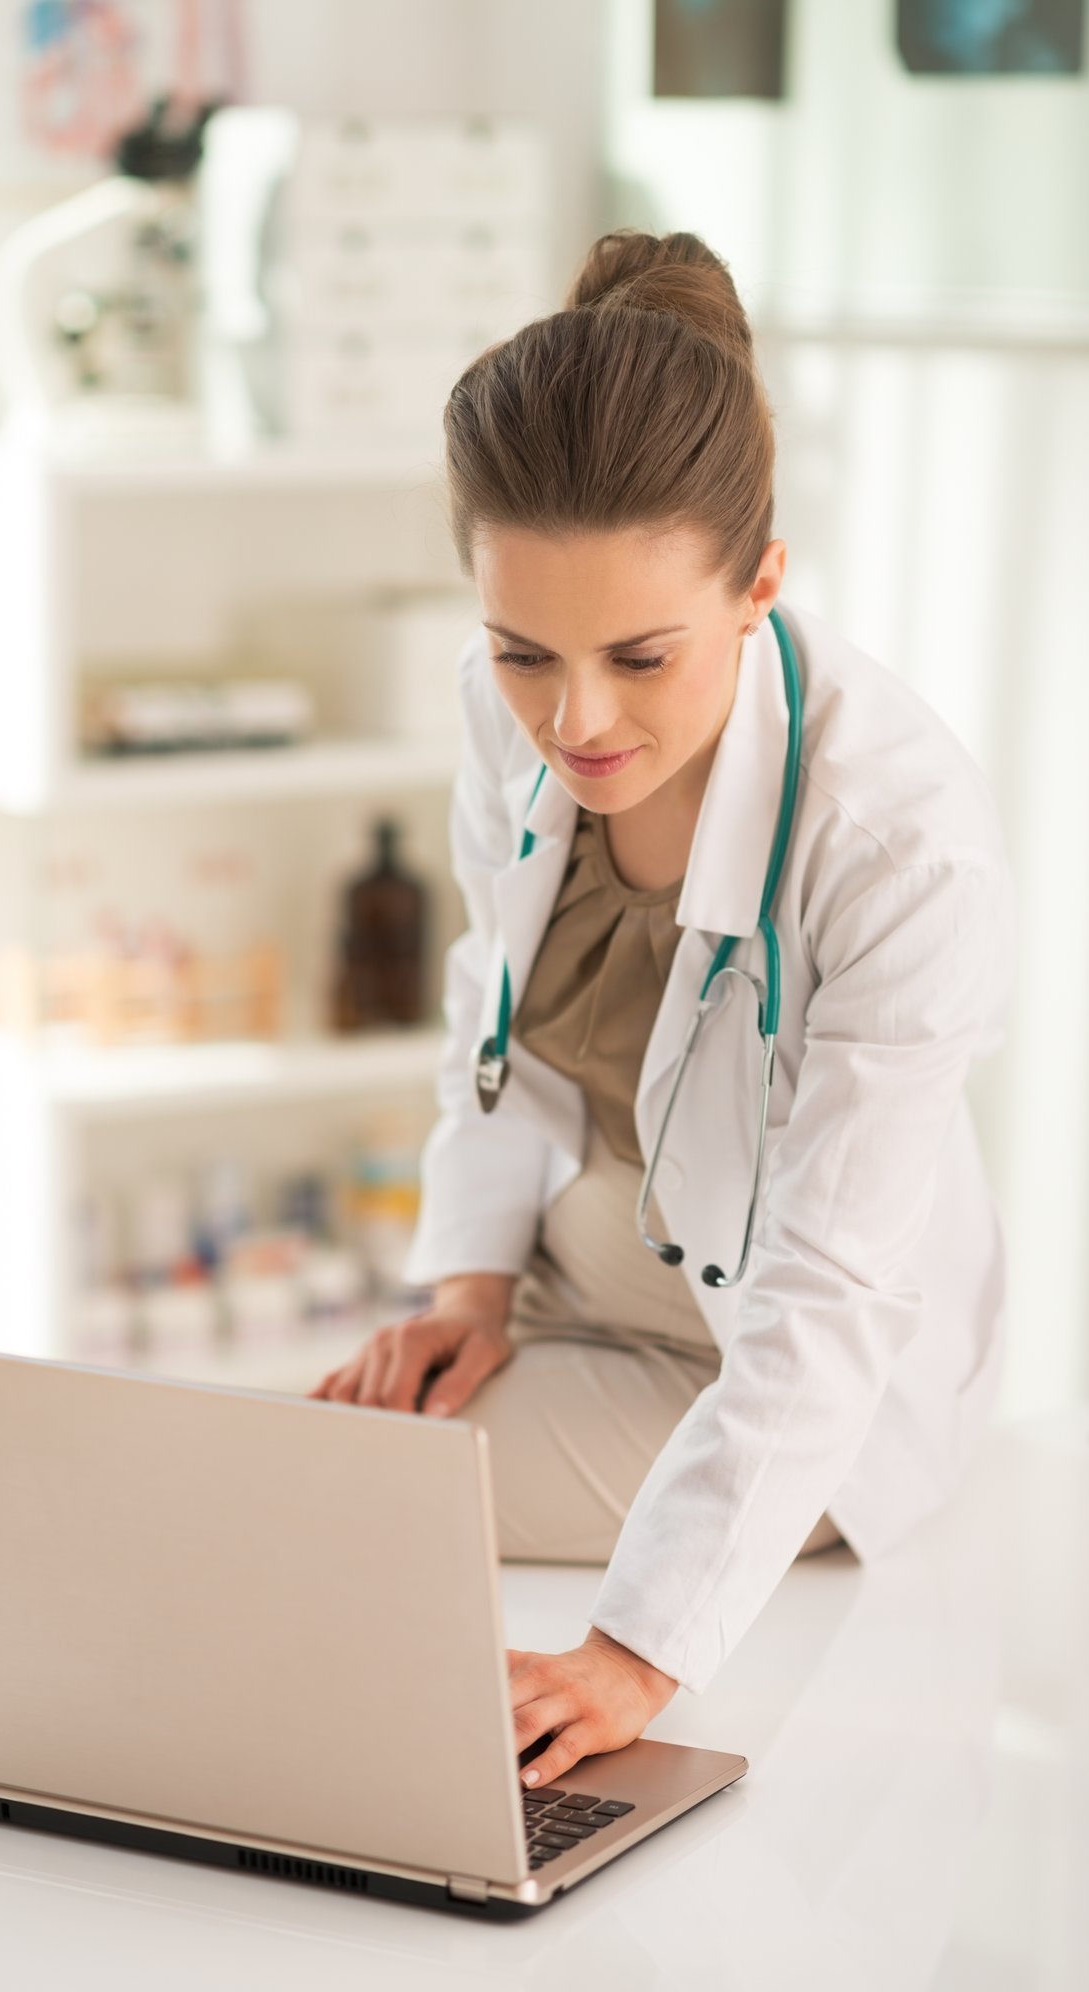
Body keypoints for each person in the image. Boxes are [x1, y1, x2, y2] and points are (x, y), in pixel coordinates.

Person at [309, 228, 1014, 1793]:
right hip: (582, 1301)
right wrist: (471, 1288)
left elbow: (826, 1301)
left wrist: (637, 1657)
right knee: (298, 1466)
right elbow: (486, 1018)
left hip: (784, 1383)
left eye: (639, 655)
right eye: (520, 652)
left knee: (312, 1512)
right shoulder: (510, 720)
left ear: (759, 584)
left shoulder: (899, 848)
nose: (575, 721)